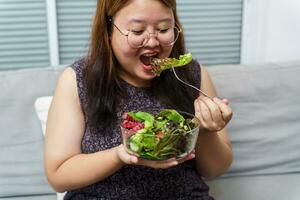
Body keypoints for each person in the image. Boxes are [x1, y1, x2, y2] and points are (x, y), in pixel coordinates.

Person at [45, 0, 233, 199]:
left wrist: (207, 131)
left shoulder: (192, 75)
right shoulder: (78, 79)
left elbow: (214, 171)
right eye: (137, 31)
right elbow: (58, 176)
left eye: (163, 29)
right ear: (109, 31)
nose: (152, 42)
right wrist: (120, 155)